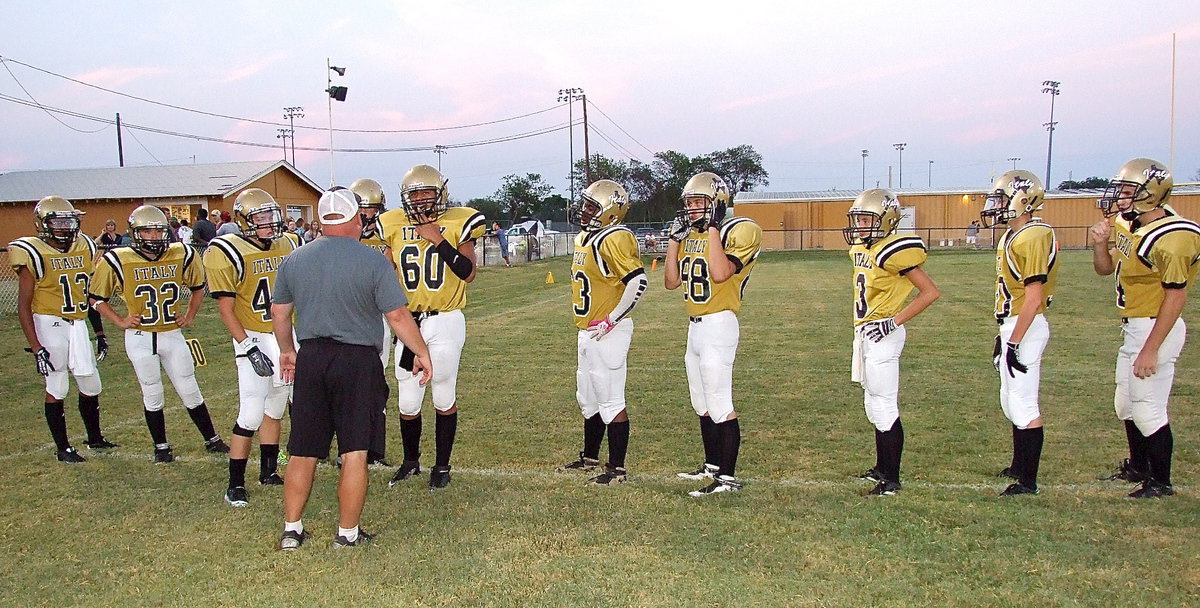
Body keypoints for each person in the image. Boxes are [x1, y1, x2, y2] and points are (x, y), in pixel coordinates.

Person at [272, 187, 432, 550]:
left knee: (302, 449)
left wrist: (287, 350)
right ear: (357, 219)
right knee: (354, 451)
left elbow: (280, 313)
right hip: (357, 360)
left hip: (312, 356)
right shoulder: (373, 260)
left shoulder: (295, 259)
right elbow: (395, 314)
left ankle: (292, 530)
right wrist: (420, 350)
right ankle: (347, 534)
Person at [1090, 158, 1199, 499]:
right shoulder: (1128, 222)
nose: (1120, 197)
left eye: (1127, 191)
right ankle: (1138, 466)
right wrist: (1099, 244)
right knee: (1125, 403)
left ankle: (1161, 482)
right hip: (1134, 325)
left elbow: (1175, 296)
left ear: (1151, 193)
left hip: (1157, 326)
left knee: (1148, 407)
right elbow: (1105, 270)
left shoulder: (1174, 235)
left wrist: (1152, 347)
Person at [89, 205, 229, 462]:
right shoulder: (118, 259)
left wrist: (189, 316)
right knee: (152, 392)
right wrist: (120, 321)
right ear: (135, 232)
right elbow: (96, 299)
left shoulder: (181, 253)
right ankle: (161, 447)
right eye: (148, 231)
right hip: (141, 336)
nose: (154, 236)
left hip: (172, 333)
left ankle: (212, 439)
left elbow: (198, 287)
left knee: (189, 387)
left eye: (158, 230)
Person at [378, 164, 487, 489]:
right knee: (408, 401)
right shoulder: (393, 224)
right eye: (415, 194)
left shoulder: (458, 221)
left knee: (442, 392)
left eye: (428, 193)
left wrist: (437, 238)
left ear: (441, 195)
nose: (422, 200)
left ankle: (441, 466)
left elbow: (467, 272)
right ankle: (411, 461)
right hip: (408, 321)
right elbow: (386, 273)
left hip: (445, 319)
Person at [664, 172, 761, 496]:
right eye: (689, 203)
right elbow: (671, 282)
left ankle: (727, 479)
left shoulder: (740, 229)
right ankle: (712, 465)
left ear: (717, 203)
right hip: (695, 327)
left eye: (698, 202)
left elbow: (720, 274)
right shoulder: (692, 232)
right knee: (701, 403)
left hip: (719, 323)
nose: (692, 209)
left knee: (720, 403)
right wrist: (674, 241)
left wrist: (715, 229)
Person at [203, 188, 301, 507]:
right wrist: (247, 346)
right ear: (245, 220)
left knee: (276, 406)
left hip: (284, 334)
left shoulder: (288, 243)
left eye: (271, 215)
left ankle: (269, 471)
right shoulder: (226, 250)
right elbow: (226, 310)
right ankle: (235, 484)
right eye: (261, 216)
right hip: (254, 336)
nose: (269, 222)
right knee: (251, 411)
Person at [844, 189, 939, 497]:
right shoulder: (862, 248)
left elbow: (930, 292)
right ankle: (881, 468)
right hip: (866, 331)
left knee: (884, 404)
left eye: (866, 219)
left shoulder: (895, 250)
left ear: (887, 220)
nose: (859, 226)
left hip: (883, 332)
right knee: (872, 400)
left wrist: (893, 321)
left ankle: (892, 479)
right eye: (857, 219)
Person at [10, 196, 115, 462]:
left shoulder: (85, 247)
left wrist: (100, 333)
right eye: (57, 221)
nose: (64, 227)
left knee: (91, 383)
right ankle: (63, 448)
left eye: (68, 221)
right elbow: (23, 307)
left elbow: (87, 295)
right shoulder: (32, 252)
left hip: (78, 322)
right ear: (42, 224)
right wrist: (36, 348)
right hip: (49, 322)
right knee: (57, 384)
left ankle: (94, 438)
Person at [557, 180, 646, 485]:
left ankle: (617, 469)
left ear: (610, 213)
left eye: (592, 207)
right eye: (585, 204)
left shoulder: (614, 238)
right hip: (587, 329)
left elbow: (638, 282)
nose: (584, 211)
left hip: (609, 330)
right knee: (588, 397)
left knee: (610, 400)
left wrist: (611, 319)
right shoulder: (586, 237)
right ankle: (590, 457)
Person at [980, 170, 1057, 497]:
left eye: (1000, 198)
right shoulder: (1011, 235)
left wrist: (1014, 340)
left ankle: (1028, 481)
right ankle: (1017, 464)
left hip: (1026, 323)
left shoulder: (1033, 235)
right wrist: (1005, 334)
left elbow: (1034, 297)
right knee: (1010, 400)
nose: (994, 205)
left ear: (1022, 200)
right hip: (1013, 323)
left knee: (1024, 402)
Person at [350, 177, 397, 466]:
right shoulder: (341, 237)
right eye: (364, 209)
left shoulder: (387, 236)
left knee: (376, 383)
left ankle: (373, 450)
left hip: (380, 316)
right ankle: (347, 448)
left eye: (373, 208)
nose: (369, 215)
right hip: (349, 315)